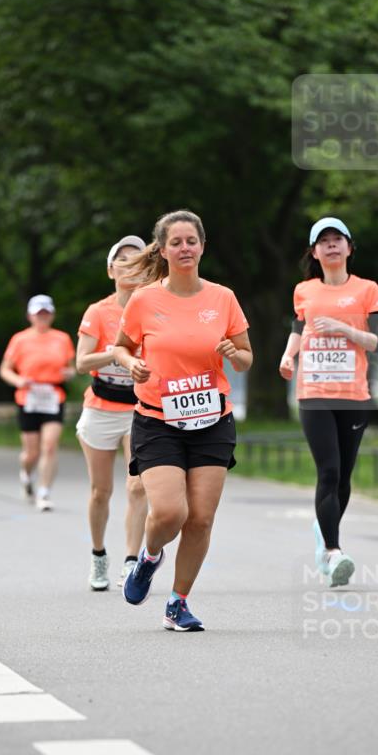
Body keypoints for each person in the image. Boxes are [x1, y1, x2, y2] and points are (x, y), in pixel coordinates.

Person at [113, 210, 252, 631]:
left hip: (212, 419)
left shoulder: (223, 298)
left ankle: (178, 602)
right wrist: (131, 363)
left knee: (201, 518)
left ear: (203, 246)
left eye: (191, 241)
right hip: (158, 419)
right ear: (163, 250)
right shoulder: (144, 300)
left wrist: (234, 354)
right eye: (176, 242)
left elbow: (246, 359)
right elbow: (120, 347)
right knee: (171, 512)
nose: (185, 248)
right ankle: (148, 557)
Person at [278, 216, 378, 587]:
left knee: (343, 477)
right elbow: (299, 327)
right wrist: (288, 355)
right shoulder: (304, 291)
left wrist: (343, 329)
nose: (331, 245)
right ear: (314, 252)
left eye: (337, 239)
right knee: (327, 470)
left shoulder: (367, 290)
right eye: (323, 240)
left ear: (349, 247)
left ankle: (323, 530)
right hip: (314, 394)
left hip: (354, 394)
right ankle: (332, 551)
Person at [76, 235, 148, 591]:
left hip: (140, 407)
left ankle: (132, 562)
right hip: (102, 407)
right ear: (110, 270)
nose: (130, 266)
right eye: (123, 260)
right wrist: (118, 353)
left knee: (137, 486)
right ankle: (98, 554)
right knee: (100, 491)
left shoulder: (153, 307)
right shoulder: (98, 311)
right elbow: (80, 362)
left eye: (138, 260)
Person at [0, 295, 75, 512]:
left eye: (46, 313)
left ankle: (44, 493)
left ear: (52, 315)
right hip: (28, 397)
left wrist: (68, 373)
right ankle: (25, 472)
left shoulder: (62, 339)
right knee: (31, 453)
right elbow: (4, 369)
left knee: (49, 446)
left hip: (53, 396)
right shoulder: (19, 339)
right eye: (38, 314)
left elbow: (70, 367)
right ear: (30, 316)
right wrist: (18, 380)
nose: (42, 317)